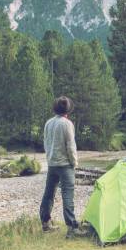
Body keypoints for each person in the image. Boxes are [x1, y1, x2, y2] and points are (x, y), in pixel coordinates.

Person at [39, 96, 88, 238]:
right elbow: (71, 147)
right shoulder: (67, 124)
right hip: (65, 165)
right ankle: (72, 228)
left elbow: (46, 143)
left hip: (52, 164)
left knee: (49, 194)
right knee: (68, 195)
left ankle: (45, 223)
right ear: (68, 109)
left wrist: (49, 158)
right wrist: (75, 163)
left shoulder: (48, 123)